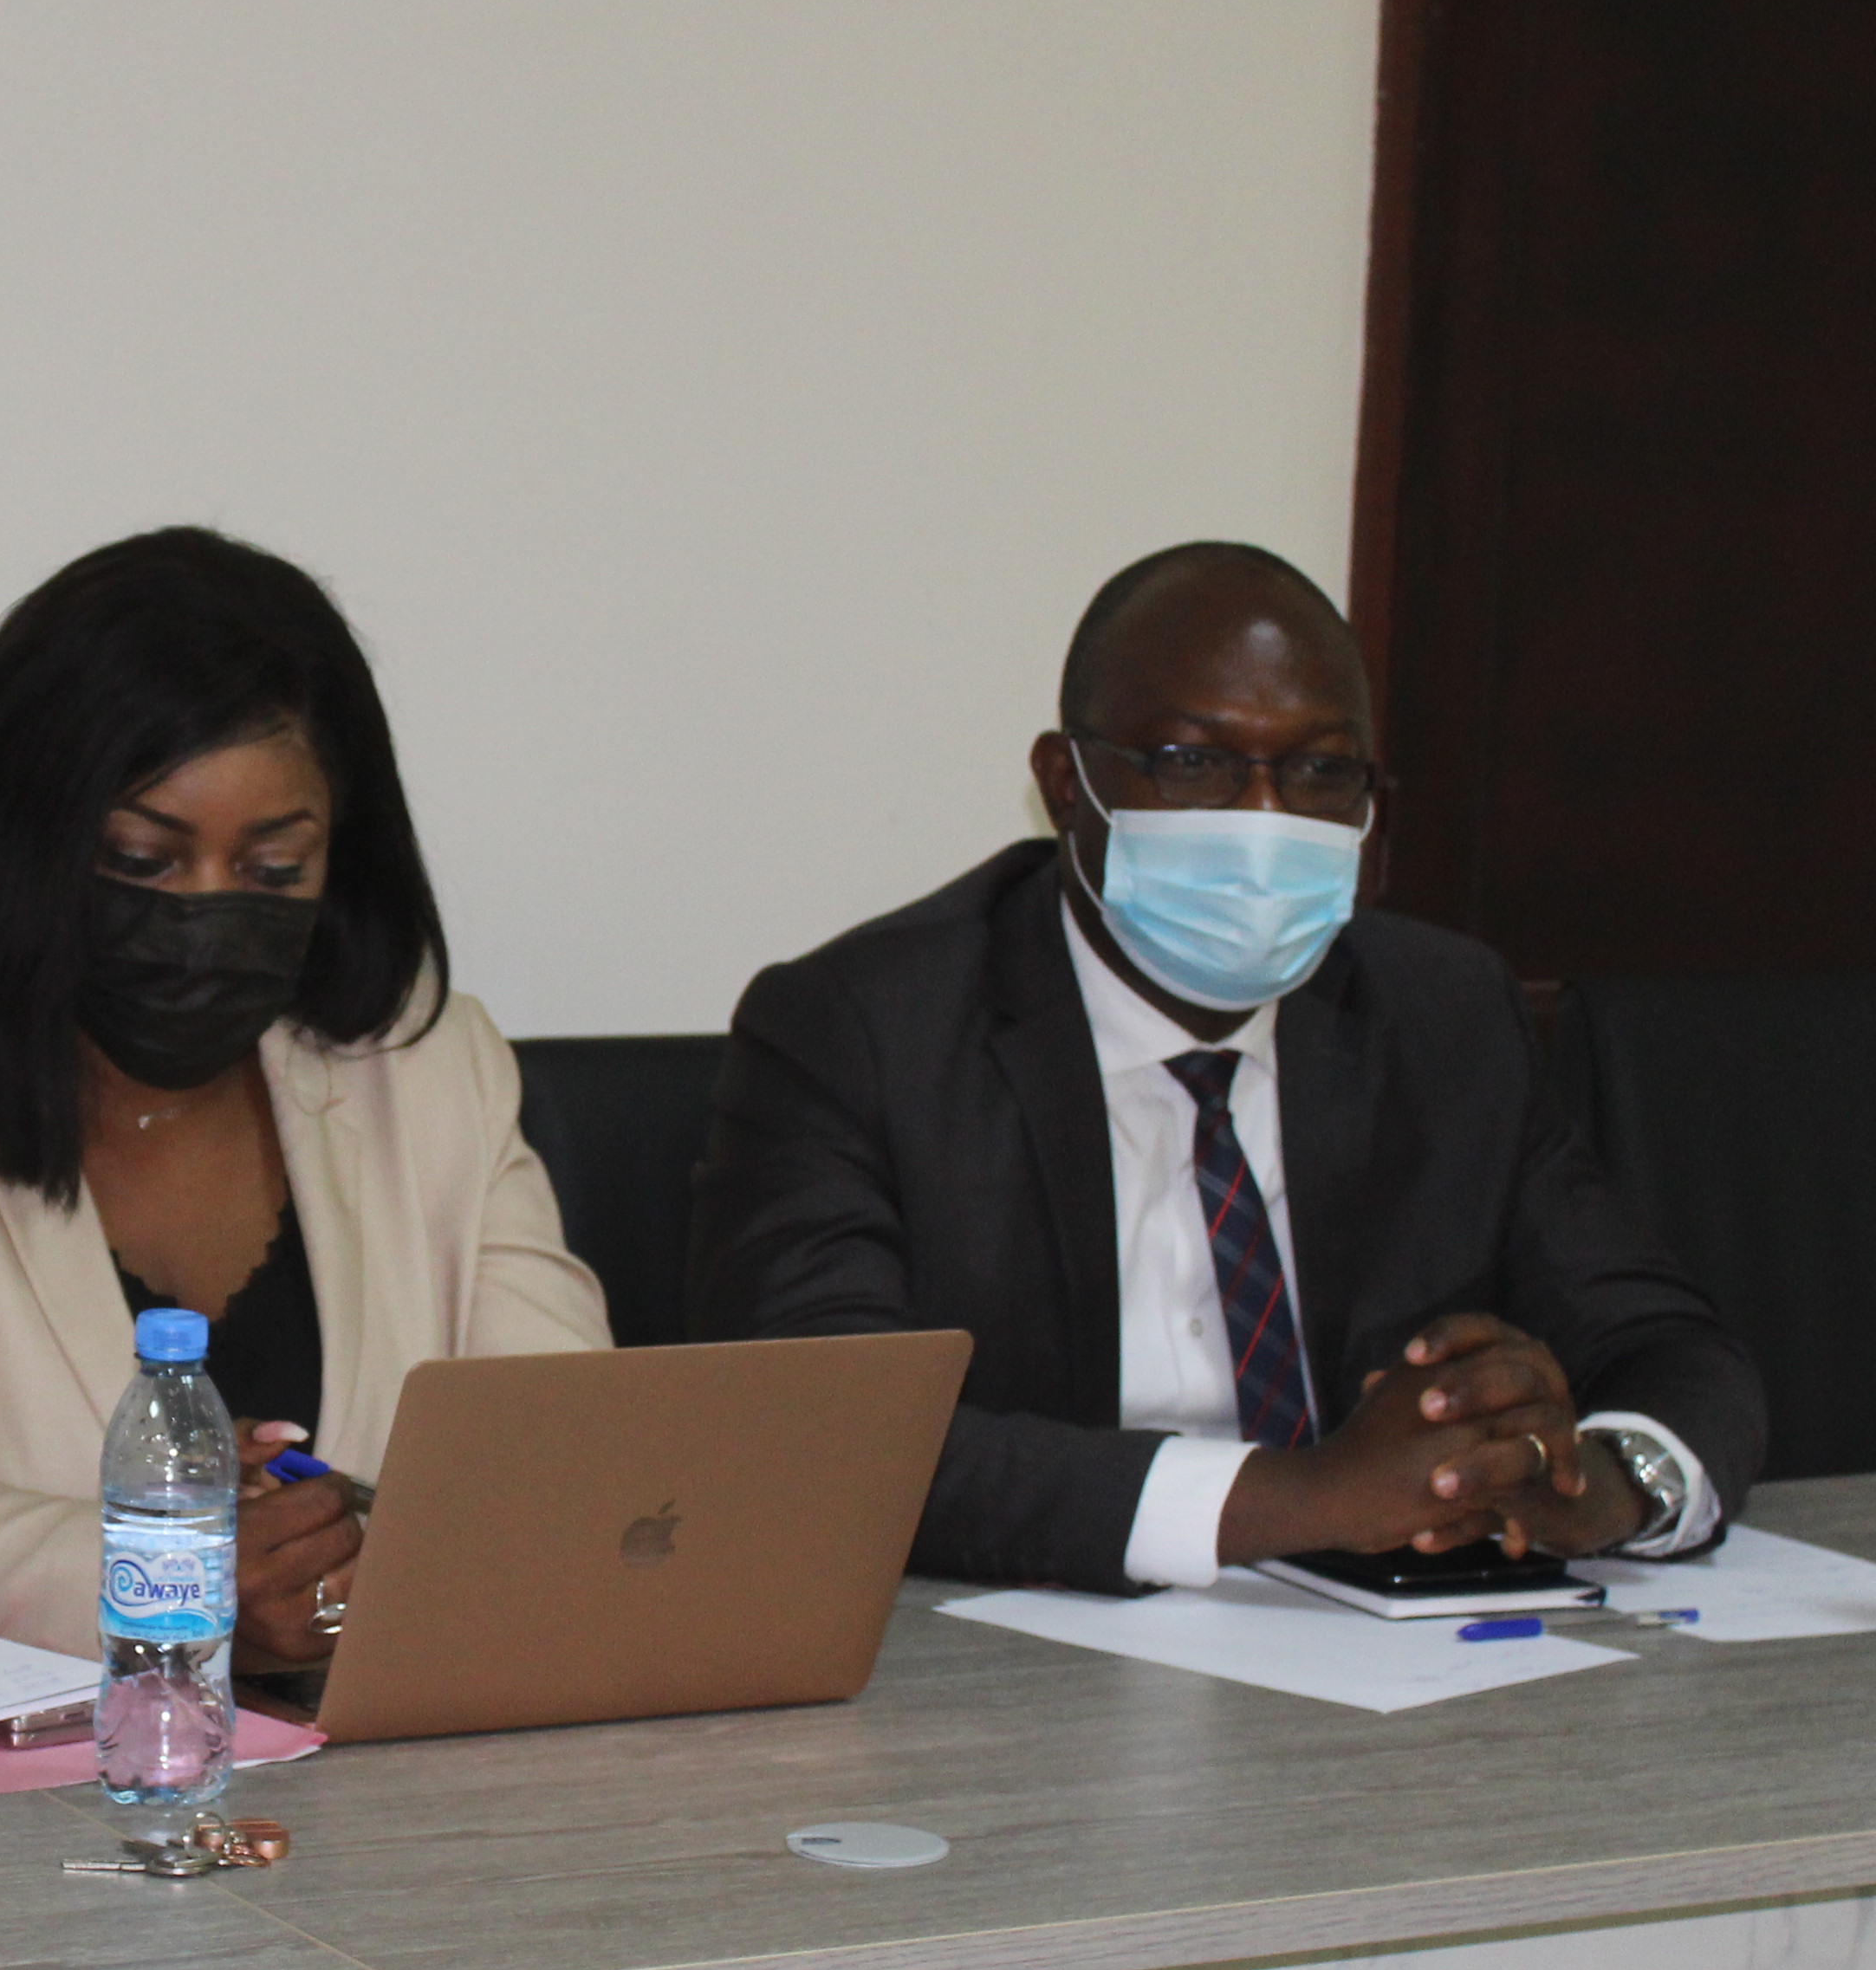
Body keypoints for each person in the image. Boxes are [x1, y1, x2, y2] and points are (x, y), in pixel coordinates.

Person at [688, 541, 1761, 1592]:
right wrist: (1301, 1498)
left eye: (1320, 771)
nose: (1264, 819)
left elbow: (1673, 1347)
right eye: (1193, 763)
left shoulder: (1443, 1015)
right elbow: (828, 1435)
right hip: (1026, 1654)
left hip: (1384, 1652)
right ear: (1067, 784)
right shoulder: (863, 1031)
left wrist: (1597, 1486)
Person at [0, 527, 611, 1667]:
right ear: (29, 839)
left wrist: (353, 1551)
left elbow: (569, 1457)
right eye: (142, 861)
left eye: (273, 869)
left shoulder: (429, 1064)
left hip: (365, 1748)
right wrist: (172, 1569)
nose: (207, 912)